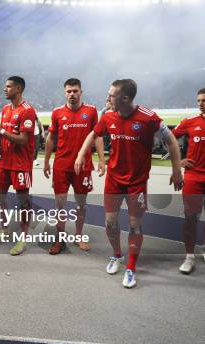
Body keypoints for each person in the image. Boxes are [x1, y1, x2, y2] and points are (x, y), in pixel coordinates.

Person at [75, 79, 183, 289]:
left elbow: (171, 140)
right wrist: (81, 154)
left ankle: (131, 267)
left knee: (134, 225)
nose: (107, 98)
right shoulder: (108, 116)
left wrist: (177, 169)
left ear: (124, 98)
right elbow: (92, 134)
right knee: (110, 223)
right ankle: (117, 255)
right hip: (114, 181)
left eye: (111, 95)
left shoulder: (148, 118)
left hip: (137, 183)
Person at [43, 78, 105, 254]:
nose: (72, 94)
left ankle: (78, 236)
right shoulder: (57, 113)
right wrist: (47, 161)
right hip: (61, 166)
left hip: (83, 167)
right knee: (60, 205)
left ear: (81, 92)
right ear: (65, 93)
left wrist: (101, 160)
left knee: (81, 205)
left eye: (75, 91)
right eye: (69, 91)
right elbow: (51, 139)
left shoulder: (91, 111)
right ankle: (60, 239)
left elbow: (98, 136)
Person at [0, 76, 37, 255]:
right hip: (4, 162)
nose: (5, 89)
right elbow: (3, 135)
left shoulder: (28, 111)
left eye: (8, 86)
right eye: (5, 86)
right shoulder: (6, 109)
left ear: (18, 89)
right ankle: (4, 229)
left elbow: (23, 140)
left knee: (23, 201)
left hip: (21, 164)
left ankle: (23, 239)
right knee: (0, 198)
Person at [171, 88, 205, 274]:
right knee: (191, 218)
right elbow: (168, 137)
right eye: (199, 100)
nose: (201, 103)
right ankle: (189, 256)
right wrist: (178, 161)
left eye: (204, 100)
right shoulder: (190, 122)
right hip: (194, 177)